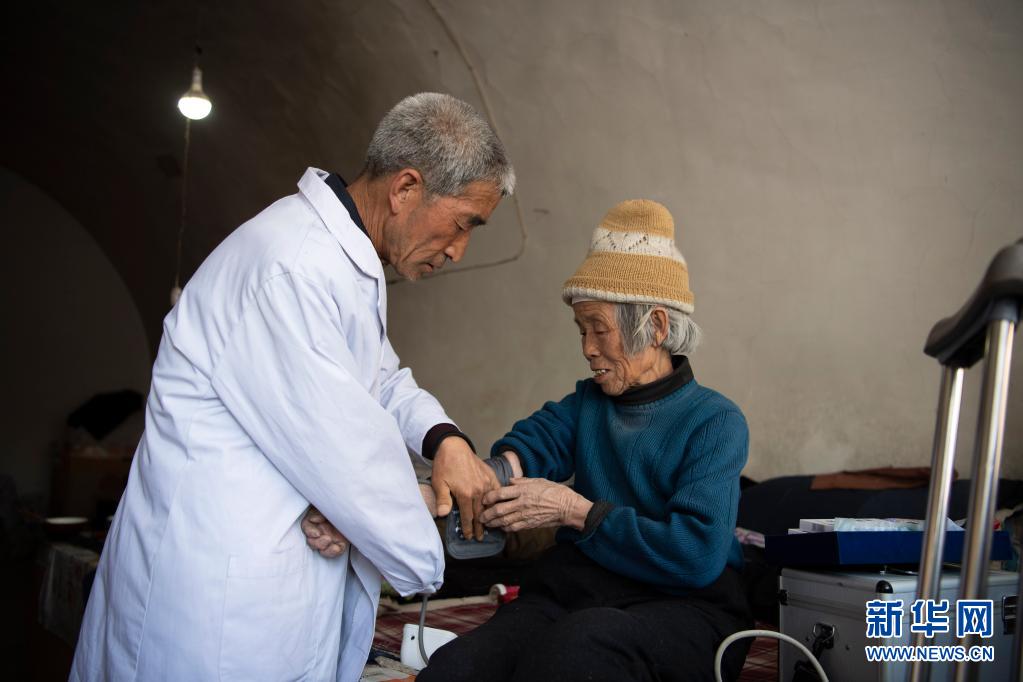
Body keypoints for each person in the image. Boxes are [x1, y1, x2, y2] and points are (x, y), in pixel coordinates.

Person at [71, 93, 515, 682]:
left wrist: (445, 441)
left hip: (272, 592)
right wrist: (421, 508)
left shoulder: (339, 260)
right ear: (406, 188)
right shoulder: (291, 266)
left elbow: (381, 380)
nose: (459, 250)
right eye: (463, 224)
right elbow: (353, 464)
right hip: (218, 603)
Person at [418, 199, 754, 682]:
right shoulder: (587, 404)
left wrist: (574, 511)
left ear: (656, 327)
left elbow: (695, 554)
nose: (588, 348)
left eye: (599, 329)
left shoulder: (715, 422)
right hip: (581, 592)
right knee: (456, 669)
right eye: (582, 330)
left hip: (685, 604)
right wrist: (446, 488)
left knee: (578, 650)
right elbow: (527, 451)